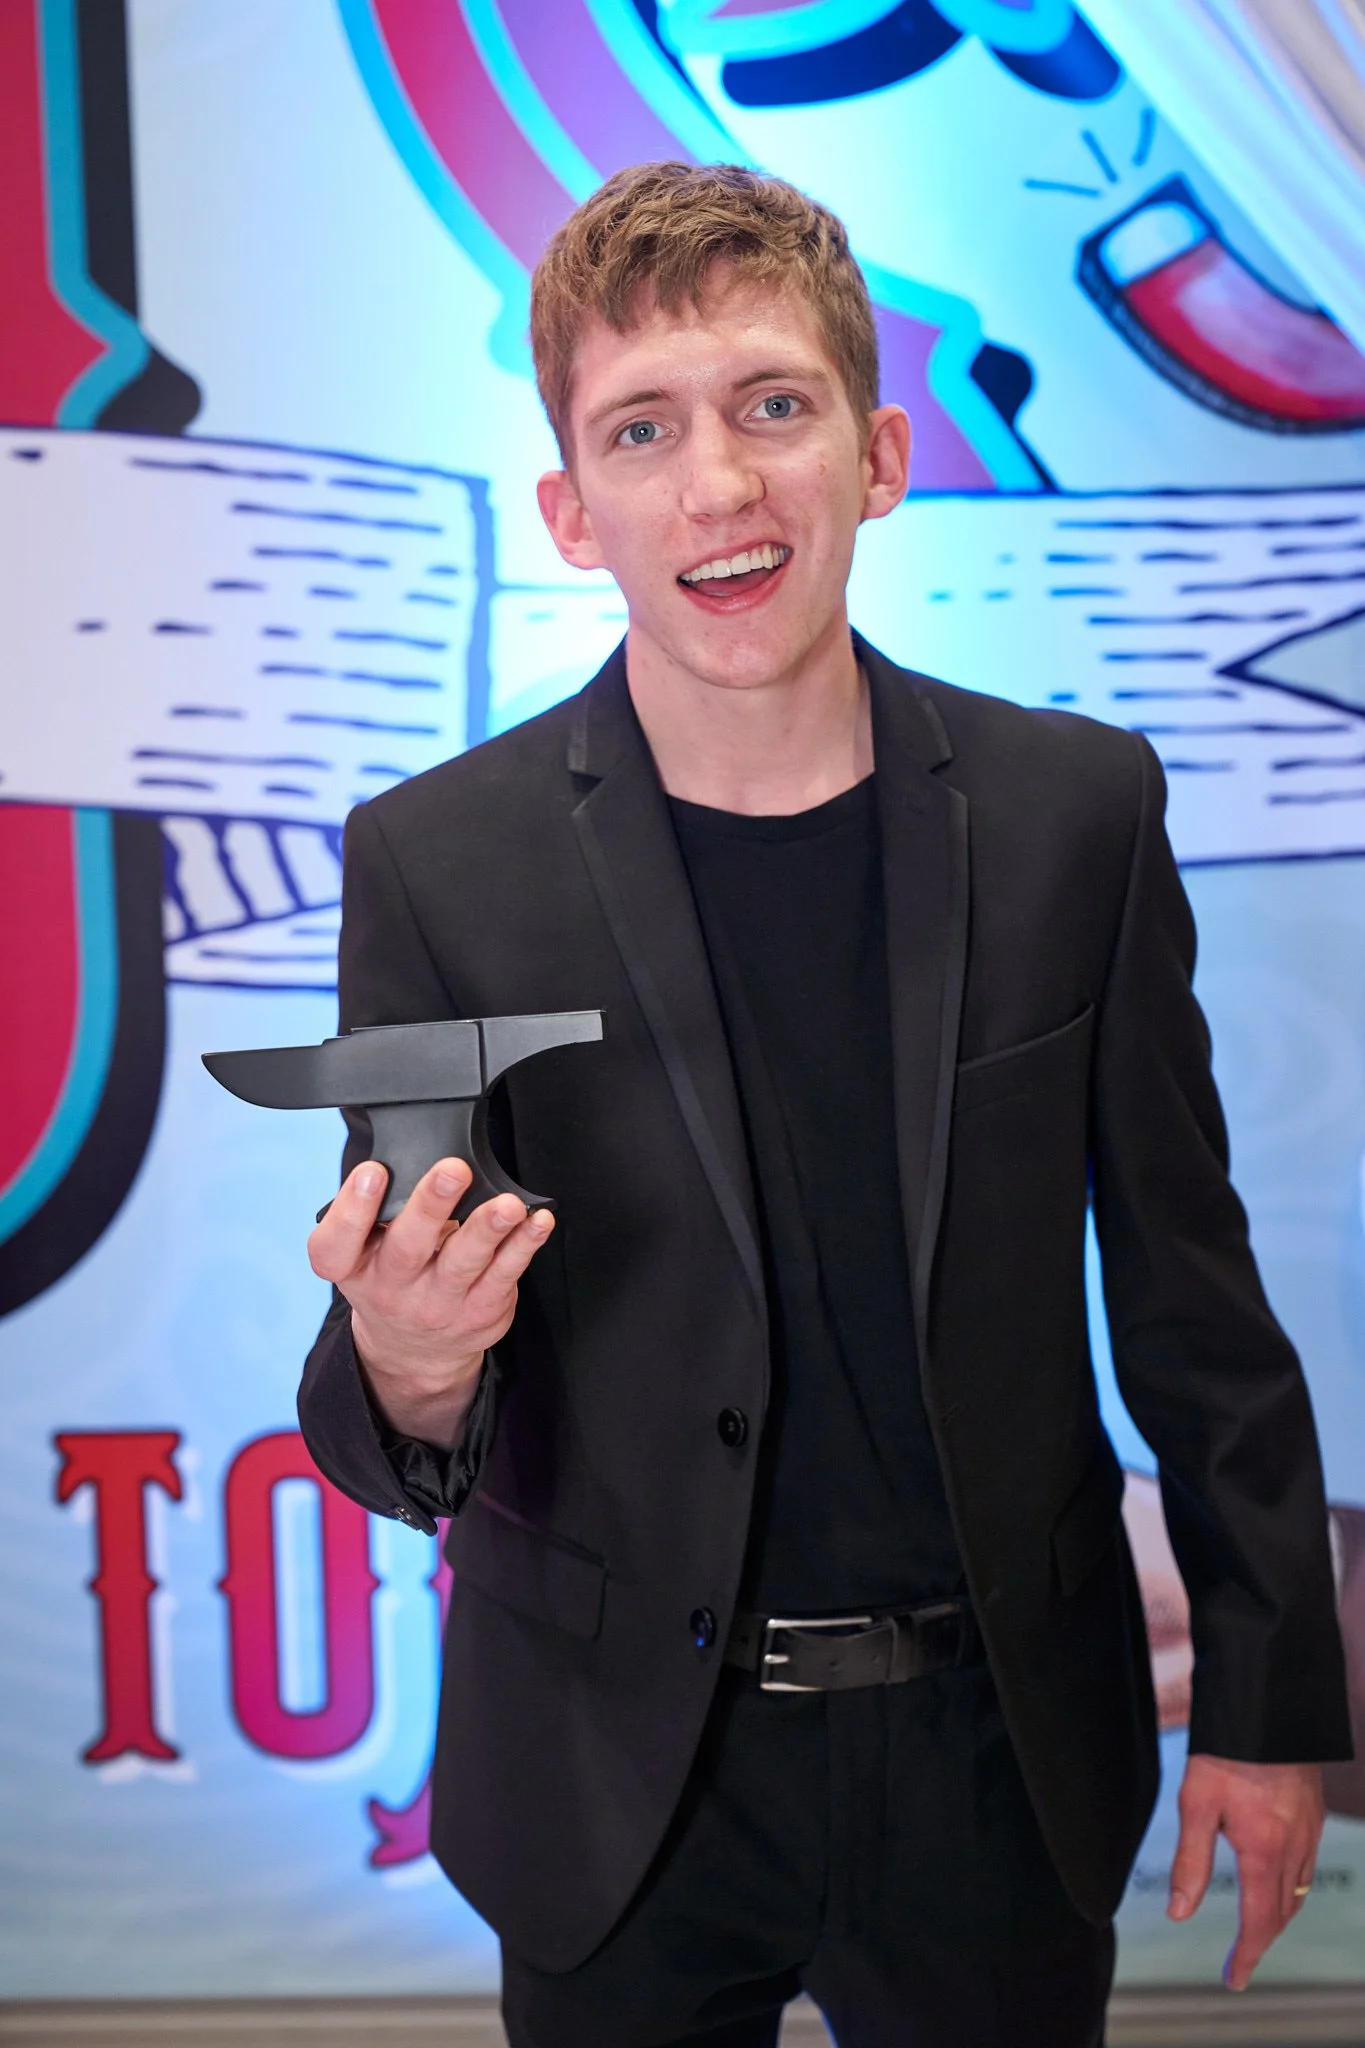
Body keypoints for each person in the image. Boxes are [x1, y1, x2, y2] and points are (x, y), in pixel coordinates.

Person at [298, 163, 1351, 2047]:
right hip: (618, 1775)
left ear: (875, 456)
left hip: (994, 1760)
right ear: (572, 509)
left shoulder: (1073, 818)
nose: (718, 484)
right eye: (645, 429)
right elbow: (399, 1416)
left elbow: (1199, 1309)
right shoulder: (436, 862)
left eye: (772, 407)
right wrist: (410, 1357)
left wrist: (1274, 1706)